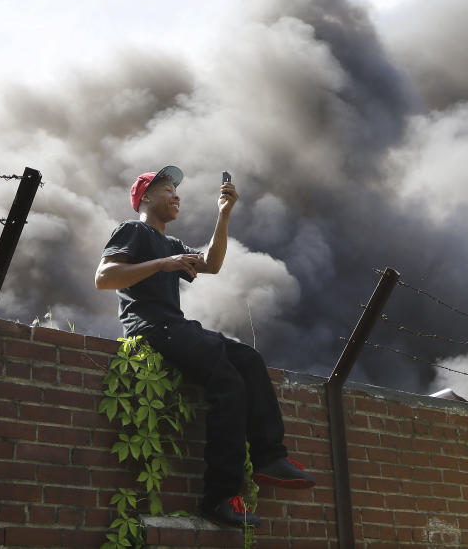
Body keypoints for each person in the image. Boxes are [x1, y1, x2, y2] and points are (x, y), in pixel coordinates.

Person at [95, 165, 315, 529]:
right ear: (145, 197)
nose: (176, 194)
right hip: (149, 327)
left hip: (177, 326)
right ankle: (220, 498)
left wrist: (224, 213)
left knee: (249, 359)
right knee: (227, 381)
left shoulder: (173, 244)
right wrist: (164, 264)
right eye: (167, 188)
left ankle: (270, 457)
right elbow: (104, 278)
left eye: (177, 190)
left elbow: (211, 263)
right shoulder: (133, 231)